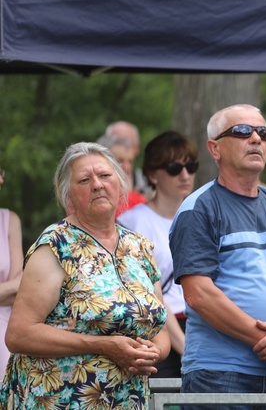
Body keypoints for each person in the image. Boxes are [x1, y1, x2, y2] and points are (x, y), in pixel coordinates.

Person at [0, 143, 169, 409]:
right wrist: (103, 345)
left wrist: (152, 353)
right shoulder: (56, 245)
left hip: (126, 398)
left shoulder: (140, 247)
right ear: (69, 196)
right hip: (59, 399)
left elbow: (159, 330)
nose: (98, 185)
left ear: (120, 184)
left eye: (105, 176)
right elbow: (19, 334)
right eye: (84, 180)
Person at [170, 104, 266, 409]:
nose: (256, 138)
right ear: (214, 148)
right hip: (219, 373)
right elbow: (199, 295)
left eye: (263, 133)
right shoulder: (198, 209)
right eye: (243, 131)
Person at [118, 131, 199, 378]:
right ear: (152, 174)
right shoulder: (132, 222)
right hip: (156, 330)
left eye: (191, 166)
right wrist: (184, 346)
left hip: (204, 326)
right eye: (175, 167)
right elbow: (146, 292)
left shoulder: (203, 218)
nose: (185, 175)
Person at [0, 165, 22, 374]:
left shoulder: (9, 220)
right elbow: (12, 285)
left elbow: (20, 286)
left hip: (4, 333)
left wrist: (13, 288)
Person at [97, 134, 147, 215]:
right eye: (120, 161)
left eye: (130, 161)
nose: (127, 167)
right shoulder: (90, 192)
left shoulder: (141, 190)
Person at [107, 120, 150, 196]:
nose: (124, 148)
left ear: (137, 148)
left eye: (129, 144)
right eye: (118, 142)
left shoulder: (148, 182)